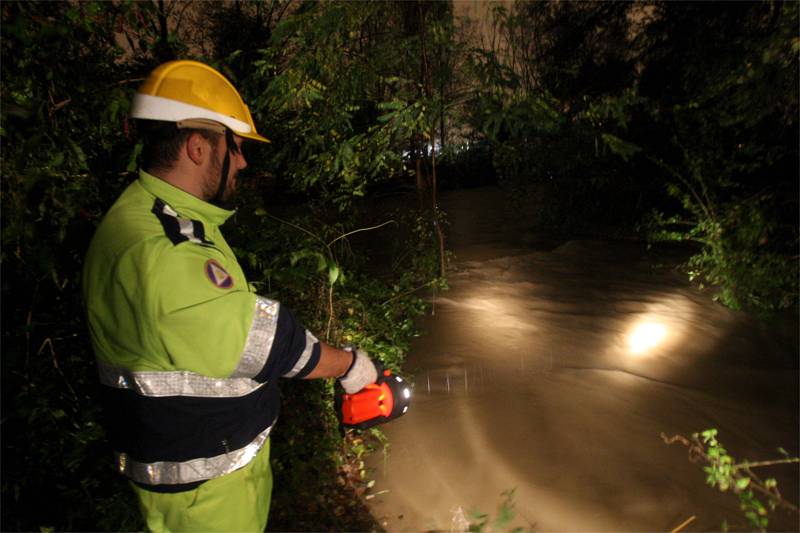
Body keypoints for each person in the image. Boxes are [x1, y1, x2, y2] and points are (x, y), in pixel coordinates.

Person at [82, 60, 378, 532]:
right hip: (207, 502)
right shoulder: (164, 249)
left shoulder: (149, 216)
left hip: (193, 482)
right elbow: (265, 342)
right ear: (198, 148)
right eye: (236, 147)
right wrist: (352, 366)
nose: (242, 161)